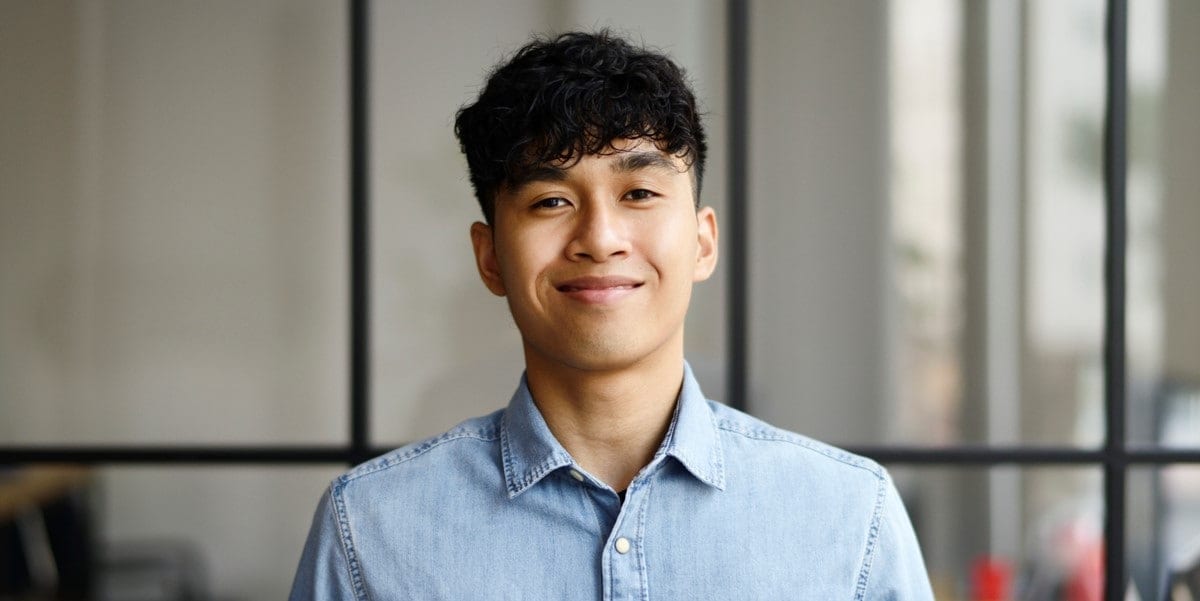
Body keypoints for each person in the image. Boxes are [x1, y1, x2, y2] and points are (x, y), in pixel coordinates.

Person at [289, 30, 933, 600]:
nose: (600, 238)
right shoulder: (370, 529)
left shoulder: (850, 517)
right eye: (549, 201)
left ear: (703, 242)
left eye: (640, 192)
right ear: (489, 258)